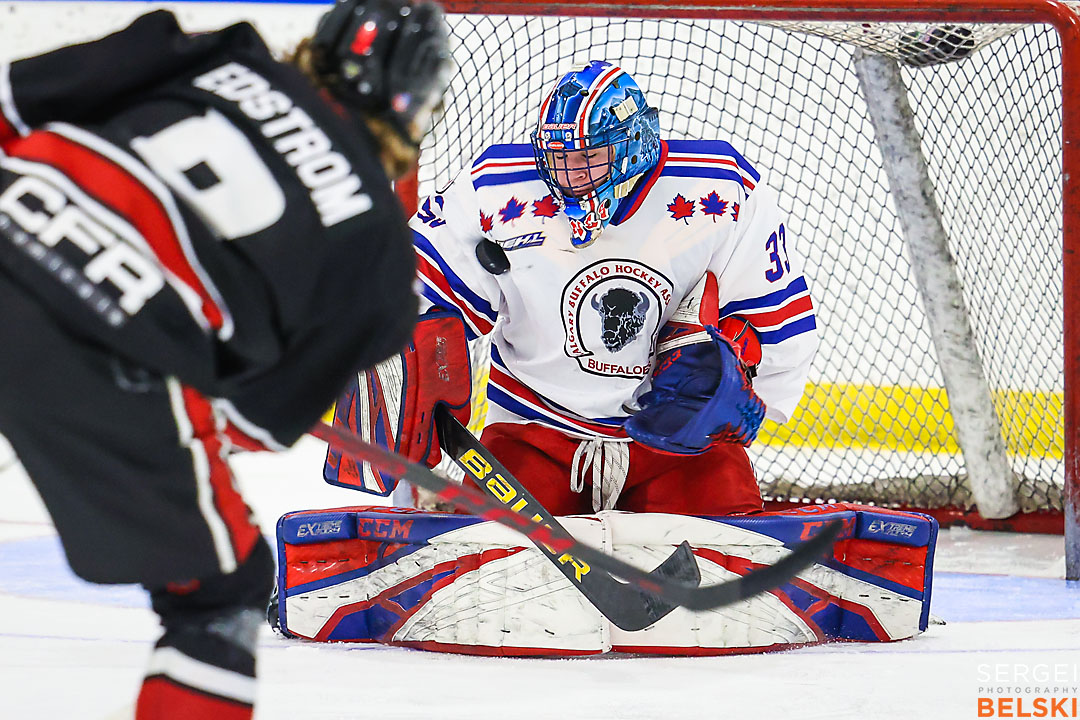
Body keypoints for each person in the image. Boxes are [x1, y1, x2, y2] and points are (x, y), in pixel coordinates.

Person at [0, 1, 449, 718]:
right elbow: (252, 424)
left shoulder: (219, 51)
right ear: (412, 104)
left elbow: (13, 106)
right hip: (113, 344)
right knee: (223, 594)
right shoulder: (381, 264)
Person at [398, 60, 818, 517]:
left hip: (675, 445)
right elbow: (417, 292)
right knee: (487, 553)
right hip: (535, 431)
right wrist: (400, 358)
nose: (571, 176)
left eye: (588, 159)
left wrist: (734, 362)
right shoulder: (497, 191)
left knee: (731, 547)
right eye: (560, 160)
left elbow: (773, 319)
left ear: (632, 147)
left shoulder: (718, 191)